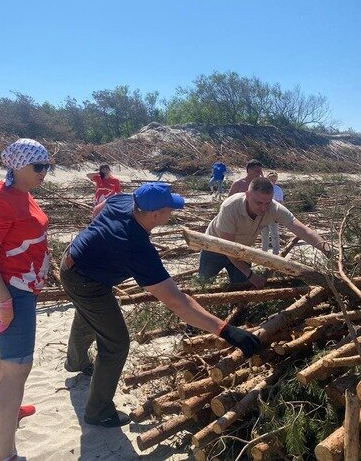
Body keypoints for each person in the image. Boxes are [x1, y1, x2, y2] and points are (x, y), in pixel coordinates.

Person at [60, 182, 261, 428]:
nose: (172, 213)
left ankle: (75, 362)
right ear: (155, 214)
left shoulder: (125, 201)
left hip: (73, 262)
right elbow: (177, 302)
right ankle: (98, 411)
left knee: (89, 316)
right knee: (116, 343)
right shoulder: (136, 248)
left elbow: (98, 210)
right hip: (86, 282)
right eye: (169, 209)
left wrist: (99, 240)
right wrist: (226, 330)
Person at [0, 138, 51, 461]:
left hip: (21, 290)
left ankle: (12, 411)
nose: (44, 172)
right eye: (39, 166)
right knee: (19, 367)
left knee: (10, 364)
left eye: (47, 166)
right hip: (11, 293)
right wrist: (5, 302)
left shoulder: (21, 193)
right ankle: (3, 454)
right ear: (19, 166)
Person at [199, 177, 331, 290]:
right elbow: (228, 247)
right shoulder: (230, 207)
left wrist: (328, 251)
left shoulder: (273, 208)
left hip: (241, 250)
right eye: (259, 202)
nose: (263, 208)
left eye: (267, 203)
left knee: (242, 289)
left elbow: (303, 230)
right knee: (203, 286)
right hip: (214, 248)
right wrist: (251, 275)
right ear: (247, 195)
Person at [261, 171, 284, 255]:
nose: (273, 181)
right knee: (264, 233)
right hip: (263, 214)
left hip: (273, 214)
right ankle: (264, 251)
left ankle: (276, 251)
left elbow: (280, 203)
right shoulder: (263, 188)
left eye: (275, 180)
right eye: (271, 179)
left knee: (274, 234)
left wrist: (279, 215)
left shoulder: (278, 189)